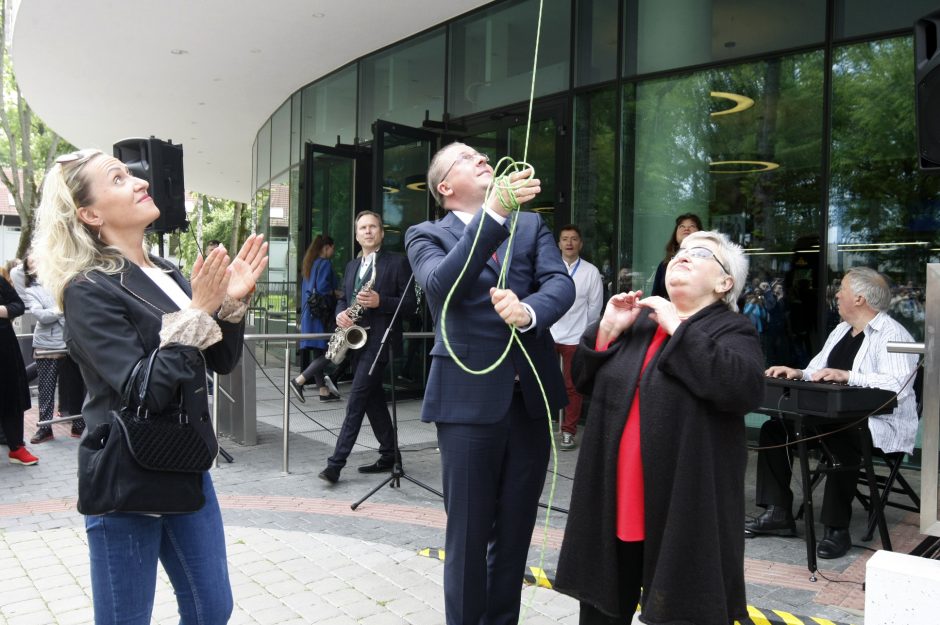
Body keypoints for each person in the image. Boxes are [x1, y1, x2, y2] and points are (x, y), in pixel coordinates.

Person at [33, 148, 268, 624]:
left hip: (185, 464)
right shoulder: (88, 288)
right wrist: (199, 311)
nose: (139, 181)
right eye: (118, 178)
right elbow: (144, 389)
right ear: (90, 213)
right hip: (126, 475)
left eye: (131, 173)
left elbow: (218, 360)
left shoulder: (170, 273)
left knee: (212, 608)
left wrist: (231, 305)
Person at [554, 230, 764, 624]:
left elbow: (744, 389)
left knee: (681, 607)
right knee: (601, 607)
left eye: (699, 254)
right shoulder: (640, 320)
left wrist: (679, 327)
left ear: (725, 283)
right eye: (680, 252)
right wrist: (607, 329)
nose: (682, 257)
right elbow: (581, 379)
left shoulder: (732, 330)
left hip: (681, 508)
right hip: (614, 500)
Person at [405, 142, 575, 625]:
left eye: (482, 154)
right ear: (445, 187)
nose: (482, 158)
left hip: (530, 399)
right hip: (466, 402)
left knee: (516, 533)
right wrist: (495, 214)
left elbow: (559, 285)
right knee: (468, 535)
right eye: (467, 157)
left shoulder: (532, 225)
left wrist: (529, 313)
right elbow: (441, 286)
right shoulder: (424, 234)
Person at [746, 267, 918, 559]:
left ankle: (837, 529)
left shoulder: (893, 334)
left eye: (843, 290)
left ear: (861, 298)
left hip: (875, 423)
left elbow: (898, 385)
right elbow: (817, 371)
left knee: (844, 435)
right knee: (774, 429)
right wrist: (797, 372)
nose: (837, 294)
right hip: (828, 417)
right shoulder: (841, 330)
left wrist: (848, 376)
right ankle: (778, 512)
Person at [317, 211, 414, 484]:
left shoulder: (397, 263)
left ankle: (335, 464)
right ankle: (389, 456)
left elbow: (412, 307)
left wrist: (380, 302)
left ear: (381, 233)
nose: (368, 231)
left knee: (357, 399)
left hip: (380, 342)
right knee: (372, 400)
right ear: (357, 234)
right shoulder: (350, 267)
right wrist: (340, 313)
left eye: (373, 227)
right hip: (356, 342)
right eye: (363, 228)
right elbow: (343, 299)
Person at [551, 224, 603, 450]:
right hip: (549, 334)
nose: (569, 242)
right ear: (559, 244)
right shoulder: (549, 268)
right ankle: (541, 427)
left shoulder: (590, 271)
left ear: (580, 243)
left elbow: (595, 307)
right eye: (565, 238)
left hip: (575, 336)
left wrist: (584, 332)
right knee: (543, 384)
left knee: (572, 387)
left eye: (573, 238)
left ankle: (568, 432)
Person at [20, 254, 74, 443]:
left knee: (76, 386)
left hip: (71, 341)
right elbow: (41, 316)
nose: (37, 263)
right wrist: (61, 310)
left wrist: (55, 311)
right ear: (29, 270)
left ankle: (79, 424)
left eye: (39, 259)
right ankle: (45, 427)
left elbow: (75, 307)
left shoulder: (63, 281)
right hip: (47, 344)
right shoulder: (32, 291)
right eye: (32, 262)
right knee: (46, 388)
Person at [289, 234, 342, 402]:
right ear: (326, 247)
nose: (333, 251)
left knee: (319, 350)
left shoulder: (309, 264)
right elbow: (324, 288)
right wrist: (338, 293)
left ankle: (323, 391)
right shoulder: (325, 263)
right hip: (322, 315)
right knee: (333, 349)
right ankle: (299, 381)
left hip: (310, 314)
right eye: (333, 248)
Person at [0, 270, 38, 465]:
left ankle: (16, 447)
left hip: (4, 351)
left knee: (11, 397)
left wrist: (1, 310)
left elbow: (18, 305)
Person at [650, 213, 702, 298]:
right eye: (681, 226)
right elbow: (655, 297)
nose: (686, 229)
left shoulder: (708, 262)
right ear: (675, 234)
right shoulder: (664, 264)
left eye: (692, 226)